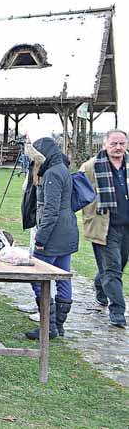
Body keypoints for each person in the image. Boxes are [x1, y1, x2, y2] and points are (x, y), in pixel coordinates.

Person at [21, 138, 79, 339]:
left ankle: (50, 325)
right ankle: (58, 325)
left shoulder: (53, 174)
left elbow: (51, 211)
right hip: (67, 231)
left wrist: (41, 238)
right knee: (63, 276)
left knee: (38, 277)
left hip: (55, 234)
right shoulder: (61, 168)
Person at [81, 129, 129, 328]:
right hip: (104, 226)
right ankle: (117, 311)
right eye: (114, 144)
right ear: (104, 145)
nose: (118, 148)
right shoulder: (91, 167)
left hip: (126, 226)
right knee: (112, 269)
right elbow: (78, 192)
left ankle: (100, 286)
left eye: (122, 144)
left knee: (119, 265)